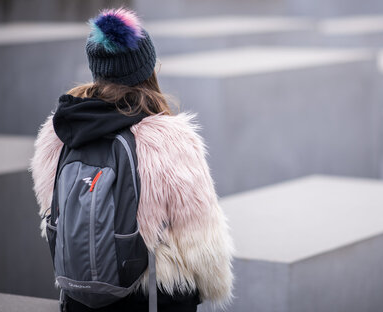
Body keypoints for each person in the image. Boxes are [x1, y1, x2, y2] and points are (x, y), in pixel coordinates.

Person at [30, 7, 234, 312]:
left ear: (96, 68)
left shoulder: (59, 132)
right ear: (146, 69)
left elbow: (54, 215)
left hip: (80, 297)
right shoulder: (169, 139)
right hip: (152, 298)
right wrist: (211, 287)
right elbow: (201, 242)